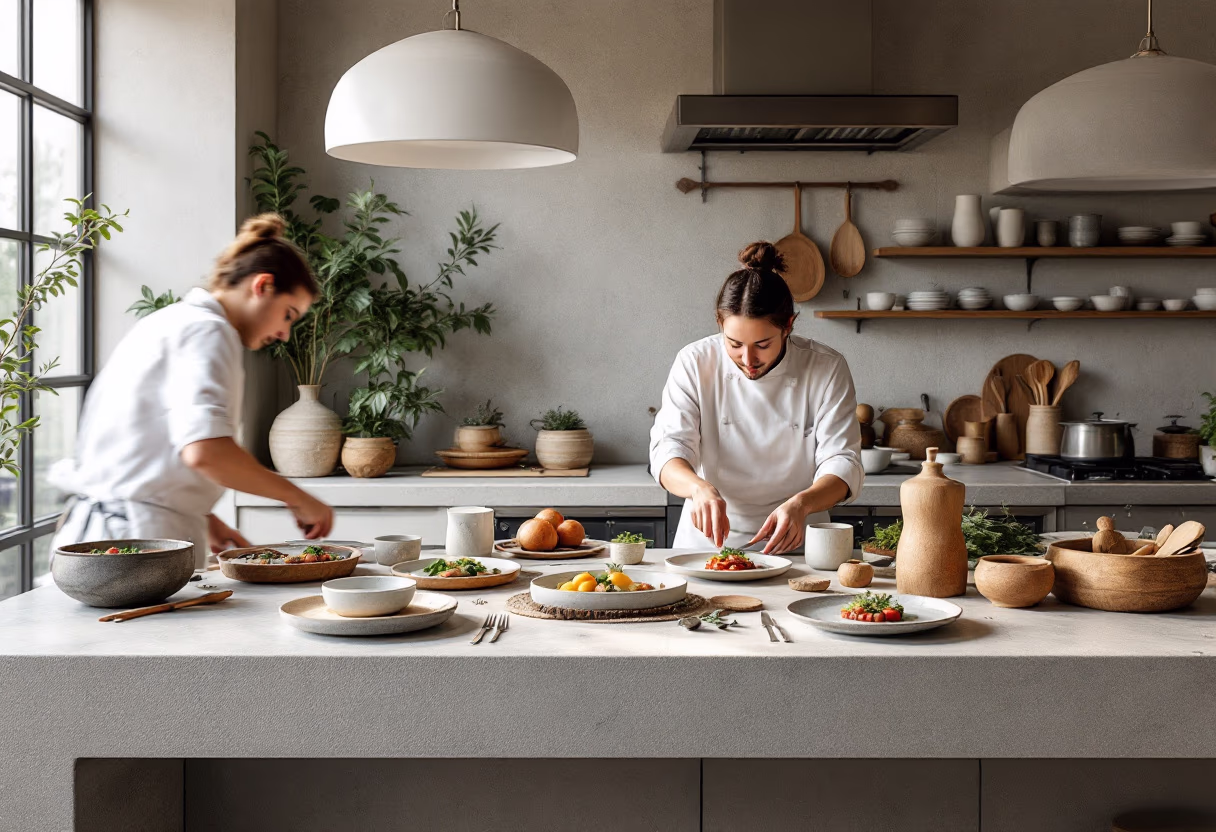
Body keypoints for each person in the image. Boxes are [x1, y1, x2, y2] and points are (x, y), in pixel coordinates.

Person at [50, 214, 334, 566]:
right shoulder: (208, 331)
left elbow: (141, 450)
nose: (284, 333)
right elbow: (206, 451)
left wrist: (205, 519)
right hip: (132, 544)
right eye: (289, 315)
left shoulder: (171, 321)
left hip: (116, 530)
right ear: (262, 286)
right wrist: (298, 498)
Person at [649, 241, 863, 555]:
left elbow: (842, 461)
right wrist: (698, 489)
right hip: (708, 545)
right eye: (734, 343)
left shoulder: (825, 367)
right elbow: (668, 449)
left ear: (788, 326)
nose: (748, 358)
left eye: (762, 344)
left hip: (798, 543)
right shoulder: (695, 362)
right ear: (720, 323)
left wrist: (802, 504)